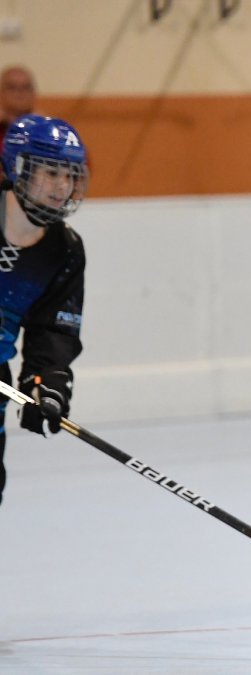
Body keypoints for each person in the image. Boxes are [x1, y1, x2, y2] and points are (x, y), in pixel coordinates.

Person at [0, 114, 89, 508]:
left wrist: (45, 381)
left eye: (69, 175)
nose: (62, 186)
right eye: (51, 172)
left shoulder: (65, 250)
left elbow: (53, 331)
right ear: (20, 167)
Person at [0, 66, 37, 143]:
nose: (20, 92)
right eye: (12, 87)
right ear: (2, 92)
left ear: (33, 93)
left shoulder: (44, 129)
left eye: (26, 87)